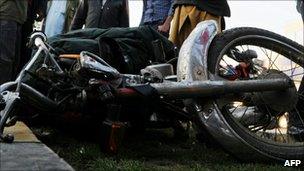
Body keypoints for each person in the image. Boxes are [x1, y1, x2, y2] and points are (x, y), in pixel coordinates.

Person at [0, 0, 27, 84]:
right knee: (5, 60)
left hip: (16, 17)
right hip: (7, 15)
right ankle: (3, 92)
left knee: (14, 60)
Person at [19, 0, 47, 73]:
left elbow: (41, 13)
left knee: (23, 55)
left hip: (27, 18)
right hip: (14, 15)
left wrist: (42, 9)